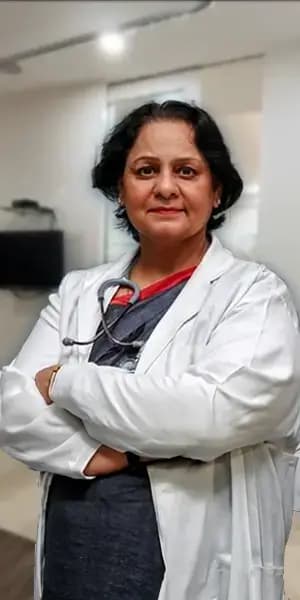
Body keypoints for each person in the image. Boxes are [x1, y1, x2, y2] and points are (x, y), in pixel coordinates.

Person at [0, 100, 299, 600]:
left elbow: (211, 414)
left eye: (187, 170)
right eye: (145, 170)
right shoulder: (80, 289)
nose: (165, 187)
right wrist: (91, 451)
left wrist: (68, 381)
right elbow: (12, 404)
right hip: (73, 554)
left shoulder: (254, 293)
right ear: (121, 187)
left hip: (192, 569)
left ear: (216, 189)